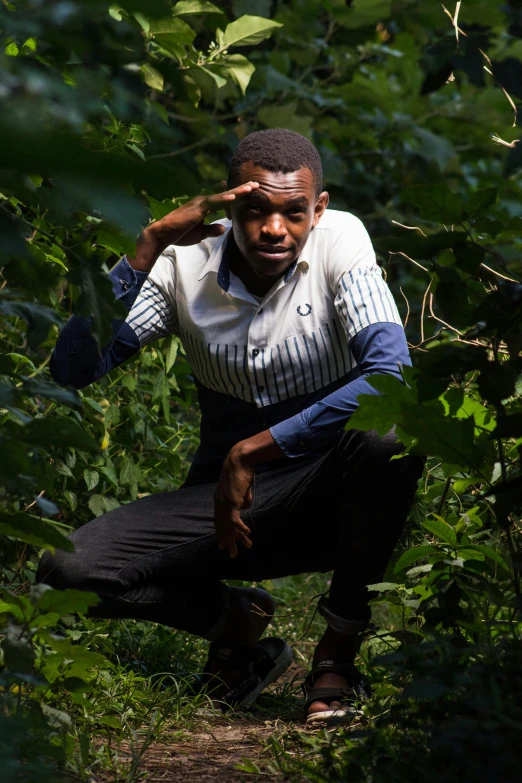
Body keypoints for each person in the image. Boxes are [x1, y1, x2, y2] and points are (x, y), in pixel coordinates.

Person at [37, 128, 423, 723]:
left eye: (294, 212)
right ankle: (239, 625)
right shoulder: (182, 263)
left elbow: (391, 374)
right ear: (229, 204)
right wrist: (148, 245)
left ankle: (337, 653)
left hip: (332, 498)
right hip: (228, 512)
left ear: (317, 210)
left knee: (387, 436)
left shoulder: (341, 238)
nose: (275, 229)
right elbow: (72, 369)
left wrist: (253, 451)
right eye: (255, 210)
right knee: (68, 570)